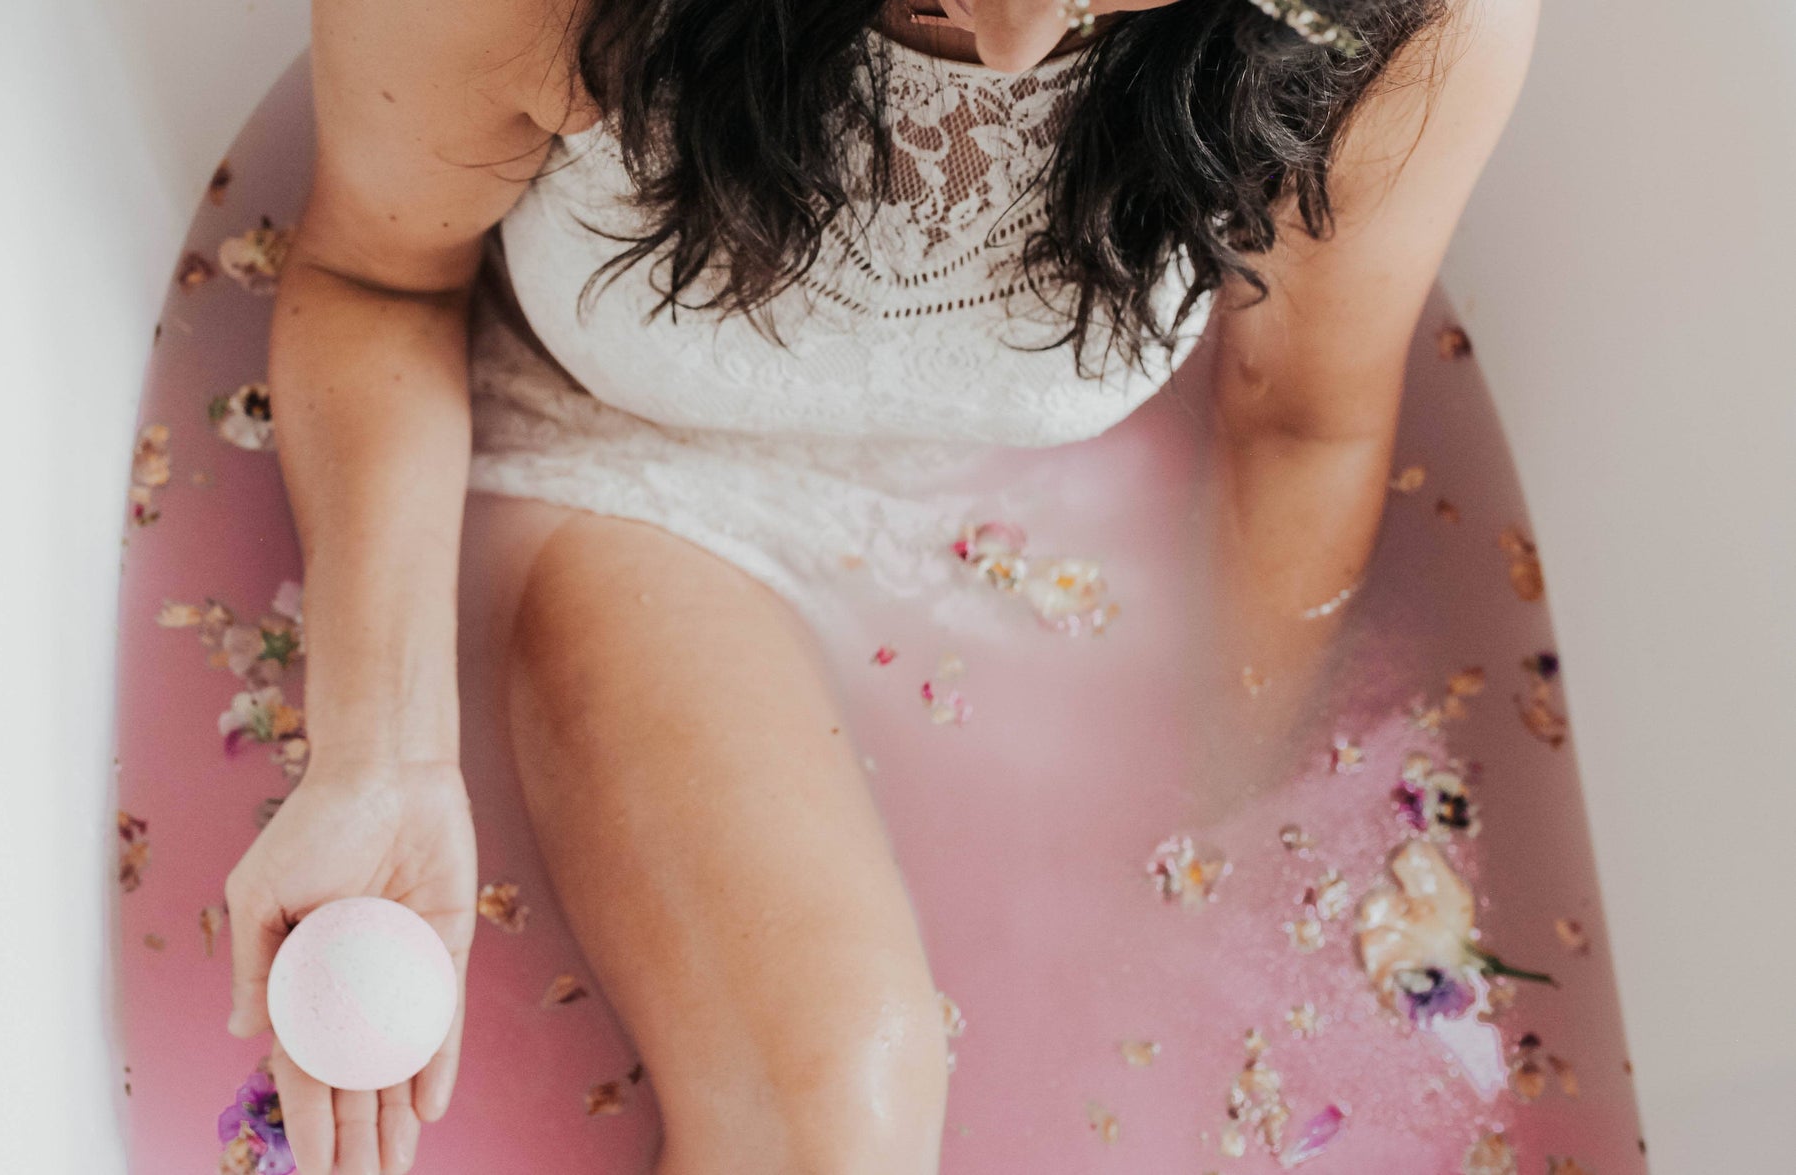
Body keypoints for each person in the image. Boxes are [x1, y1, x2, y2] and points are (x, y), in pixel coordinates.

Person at [222, 2, 1538, 1172]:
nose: (1015, 37)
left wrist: (1222, 811)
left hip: (1027, 531)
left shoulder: (1391, 20)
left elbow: (1299, 420)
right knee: (833, 1112)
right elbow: (375, 280)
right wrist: (382, 752)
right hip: (628, 475)